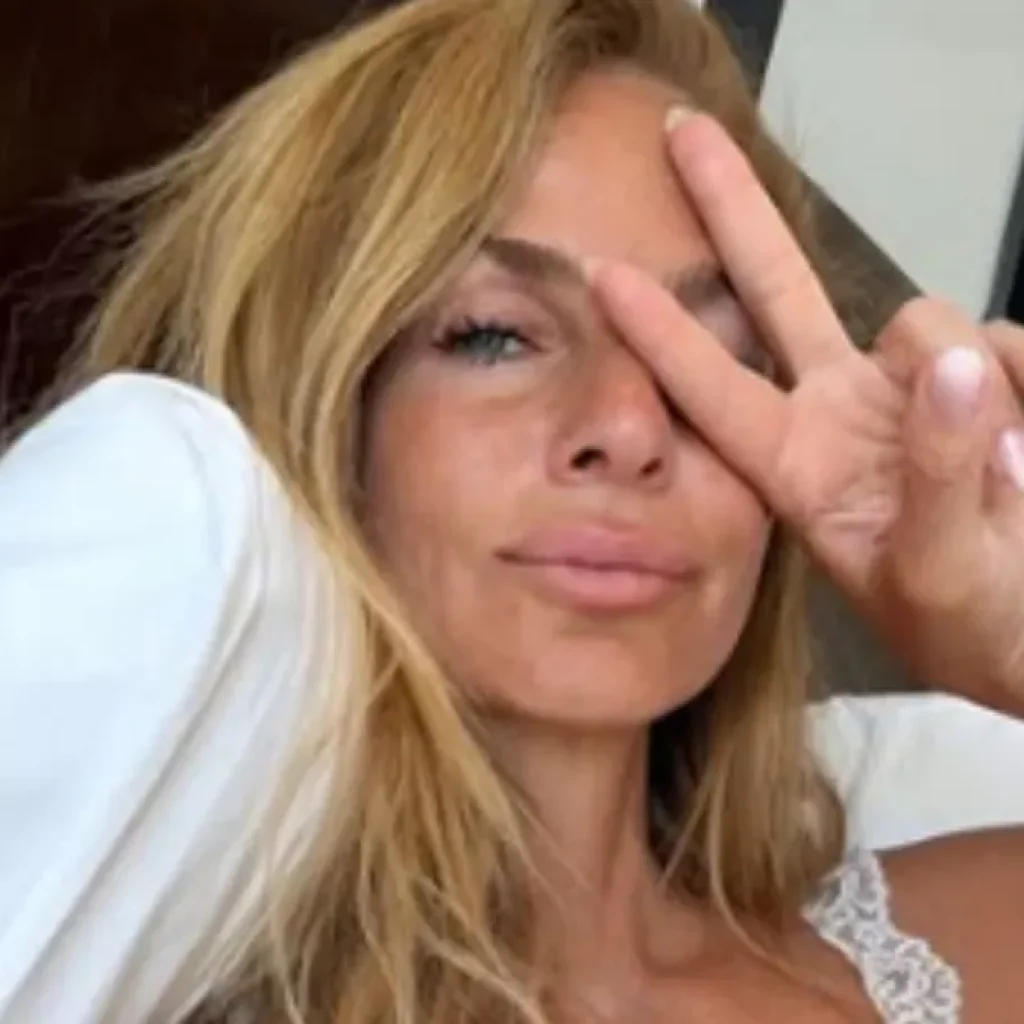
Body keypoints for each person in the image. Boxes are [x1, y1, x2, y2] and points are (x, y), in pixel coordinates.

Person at [1, 0, 1024, 1021]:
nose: (629, 425)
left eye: (711, 360)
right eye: (492, 335)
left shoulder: (976, 943)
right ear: (325, 417)